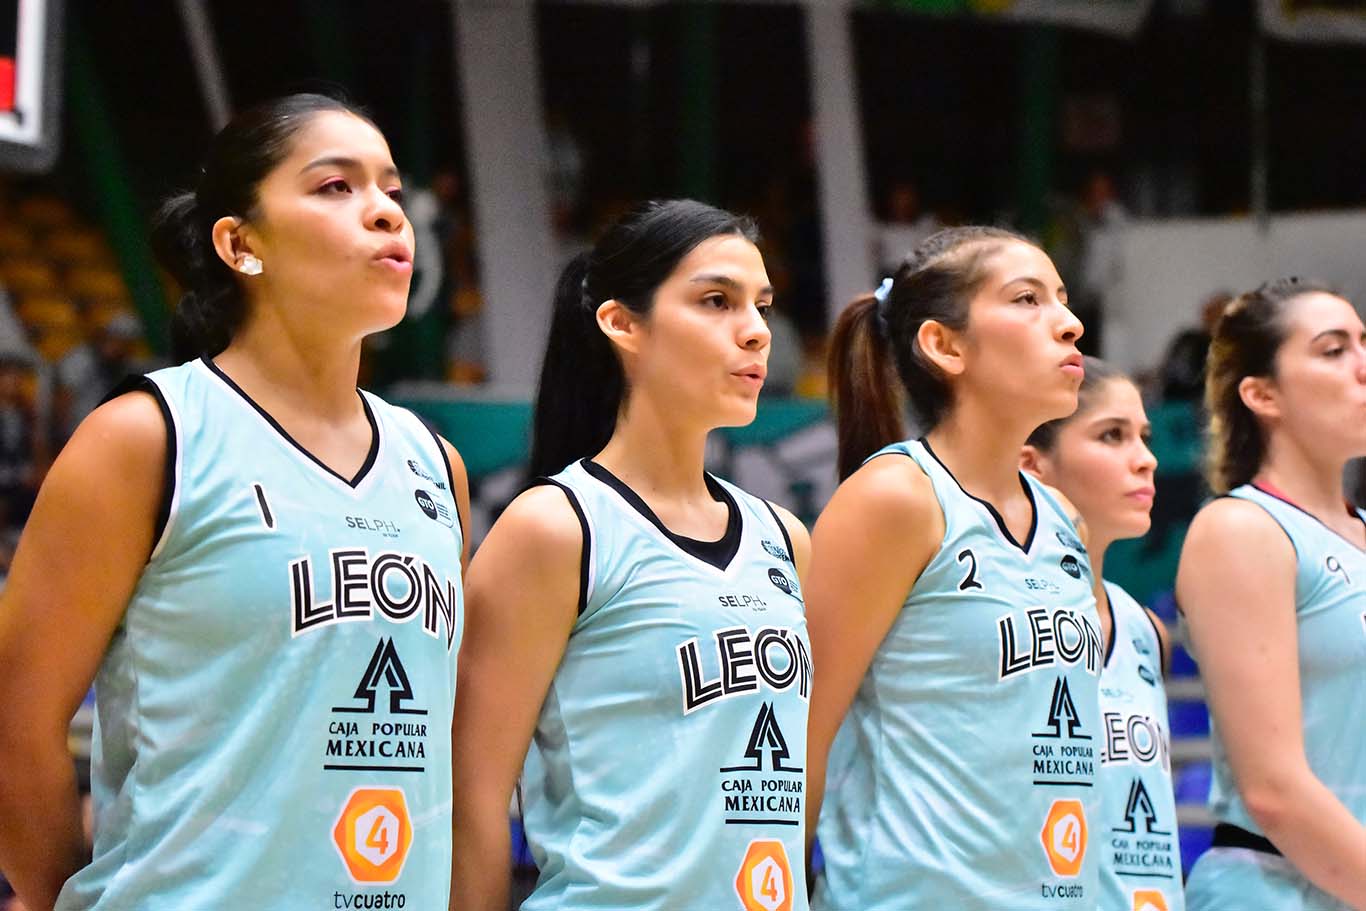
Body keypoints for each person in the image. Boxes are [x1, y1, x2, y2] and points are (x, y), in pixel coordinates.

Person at [0, 93, 470, 910]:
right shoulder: (146, 438)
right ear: (240, 243)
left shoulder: (437, 465)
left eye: (391, 190)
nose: (387, 212)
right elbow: (14, 724)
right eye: (336, 186)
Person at [451, 200, 811, 911]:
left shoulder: (785, 537)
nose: (756, 331)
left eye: (762, 305)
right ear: (621, 323)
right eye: (717, 301)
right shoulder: (555, 527)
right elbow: (472, 800)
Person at [807, 226, 1102, 909]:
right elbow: (800, 744)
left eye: (1062, 298)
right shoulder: (894, 498)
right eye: (1027, 299)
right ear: (944, 345)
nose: (1070, 323)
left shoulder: (1064, 519)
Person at [1177, 277, 1366, 910]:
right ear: (1262, 394)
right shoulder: (1241, 529)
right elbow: (1273, 790)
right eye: (1333, 350)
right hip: (1272, 891)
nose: (1362, 365)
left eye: (1363, 343)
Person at [1021, 356, 1184, 911]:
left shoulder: (1148, 630)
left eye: (1144, 437)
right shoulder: (991, 618)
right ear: (1032, 465)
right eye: (1112, 435)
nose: (1146, 459)